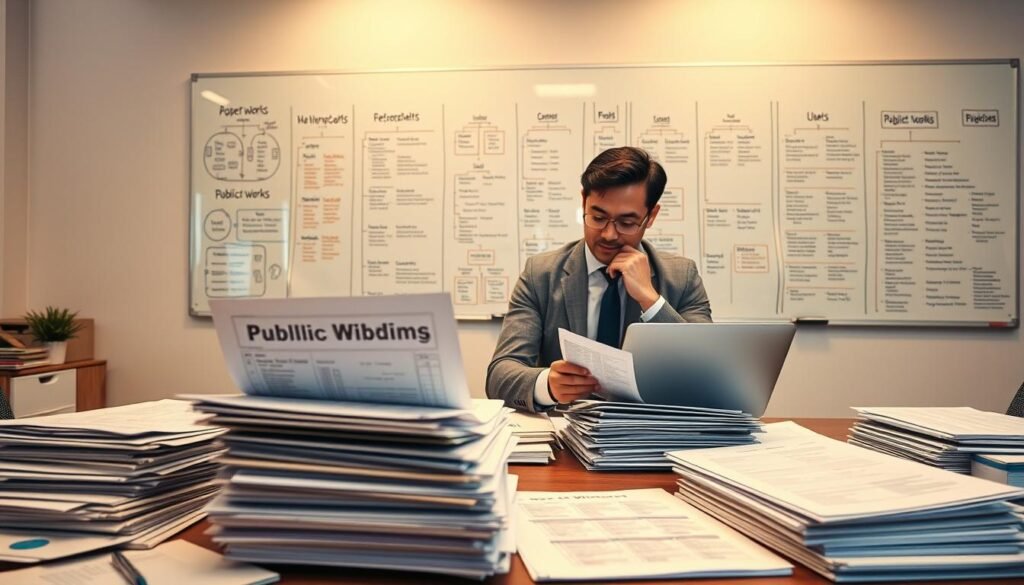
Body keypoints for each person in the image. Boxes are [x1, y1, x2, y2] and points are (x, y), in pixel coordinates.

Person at [486, 146, 712, 412]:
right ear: (583, 202)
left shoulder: (681, 277)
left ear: (651, 216)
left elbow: (707, 376)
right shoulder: (541, 275)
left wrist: (650, 300)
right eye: (598, 217)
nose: (608, 234)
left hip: (649, 439)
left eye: (626, 222)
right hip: (566, 439)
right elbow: (499, 376)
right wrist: (547, 384)